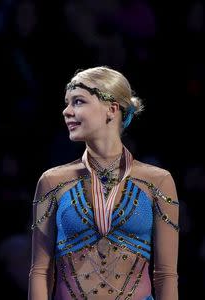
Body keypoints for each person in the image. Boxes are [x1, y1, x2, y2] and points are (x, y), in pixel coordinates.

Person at [28, 66, 179, 300]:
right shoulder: (52, 181)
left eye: (78, 102)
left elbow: (166, 274)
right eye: (67, 103)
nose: (66, 111)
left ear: (111, 109)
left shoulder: (158, 181)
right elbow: (40, 271)